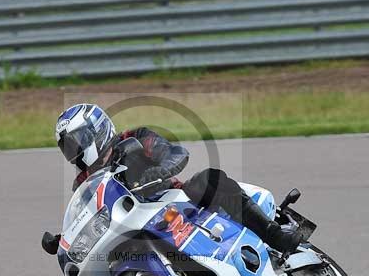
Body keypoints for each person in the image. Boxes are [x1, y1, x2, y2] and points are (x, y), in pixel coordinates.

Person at [54, 103, 300, 254]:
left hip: (176, 201)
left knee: (209, 179)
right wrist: (67, 238)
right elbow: (87, 215)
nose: (73, 149)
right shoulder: (84, 182)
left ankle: (274, 235)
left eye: (77, 140)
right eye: (68, 145)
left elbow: (175, 153)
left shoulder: (135, 138)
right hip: (136, 224)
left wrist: (161, 170)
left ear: (96, 131)